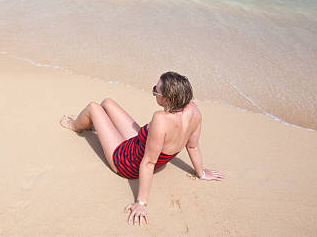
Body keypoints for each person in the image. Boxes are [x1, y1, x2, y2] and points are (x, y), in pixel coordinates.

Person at [60, 71, 224, 226]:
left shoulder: (161, 119)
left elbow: (148, 163)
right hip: (140, 144)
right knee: (107, 103)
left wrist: (141, 202)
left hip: (126, 162)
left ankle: (75, 126)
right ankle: (97, 125)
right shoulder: (194, 110)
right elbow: (192, 146)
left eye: (156, 90)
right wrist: (201, 173)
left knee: (93, 107)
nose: (154, 92)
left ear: (167, 99)